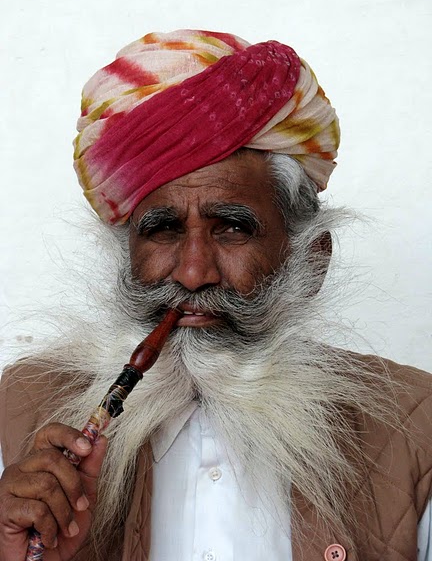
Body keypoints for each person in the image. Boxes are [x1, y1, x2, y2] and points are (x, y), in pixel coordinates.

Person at [0, 29, 431, 561]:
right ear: (125, 257)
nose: (192, 272)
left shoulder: (417, 425)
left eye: (232, 228)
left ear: (312, 259)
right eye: (162, 229)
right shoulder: (19, 413)